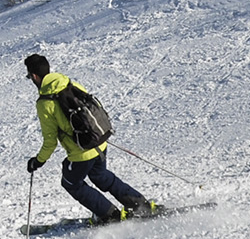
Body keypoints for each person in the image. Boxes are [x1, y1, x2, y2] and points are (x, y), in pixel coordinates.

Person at [22, 52, 154, 224]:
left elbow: (50, 141)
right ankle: (140, 205)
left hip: (81, 153)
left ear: (34, 76)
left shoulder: (45, 103)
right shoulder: (69, 83)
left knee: (71, 183)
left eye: (29, 76)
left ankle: (109, 215)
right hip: (99, 142)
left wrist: (37, 162)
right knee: (100, 174)